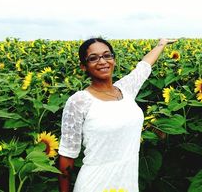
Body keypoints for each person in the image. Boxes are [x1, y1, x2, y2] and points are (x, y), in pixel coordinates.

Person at [58, 37, 176, 192]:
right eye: (93, 58)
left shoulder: (125, 90)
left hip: (127, 182)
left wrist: (161, 44)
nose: (102, 61)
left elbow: (144, 67)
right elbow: (67, 155)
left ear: (113, 59)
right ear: (83, 66)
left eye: (107, 55)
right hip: (94, 184)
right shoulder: (79, 101)